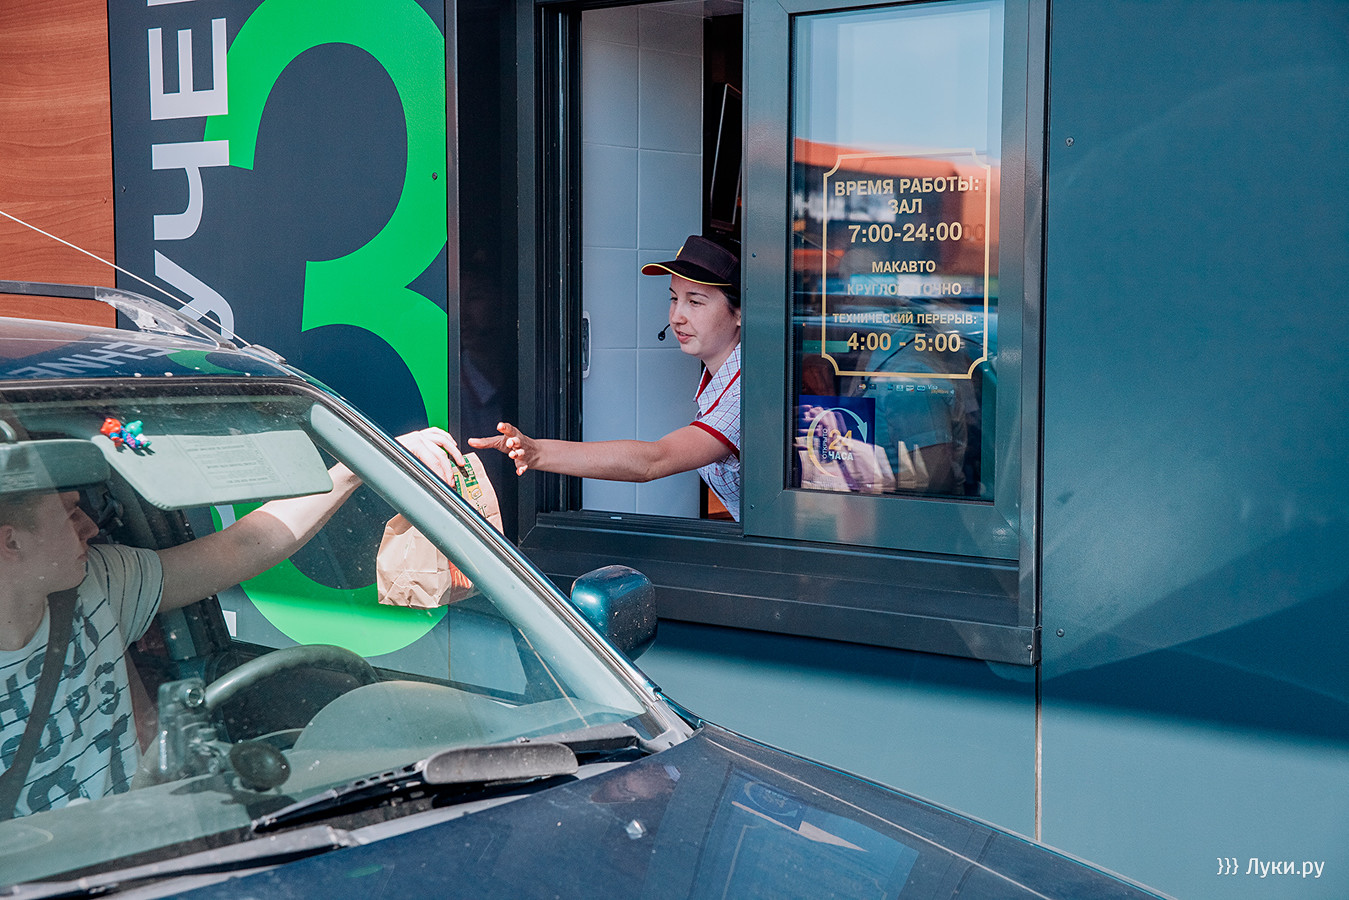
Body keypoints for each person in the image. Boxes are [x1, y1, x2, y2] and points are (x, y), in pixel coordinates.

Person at [0, 427, 463, 817]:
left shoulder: (99, 584)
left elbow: (241, 547)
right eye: (70, 514)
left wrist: (358, 466)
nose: (91, 527)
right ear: (11, 542)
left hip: (136, 848)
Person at [470, 235, 744, 520]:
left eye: (695, 302)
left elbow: (653, 461)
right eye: (674, 299)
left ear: (740, 312)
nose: (676, 317)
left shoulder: (742, 394)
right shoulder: (721, 378)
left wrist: (537, 452)